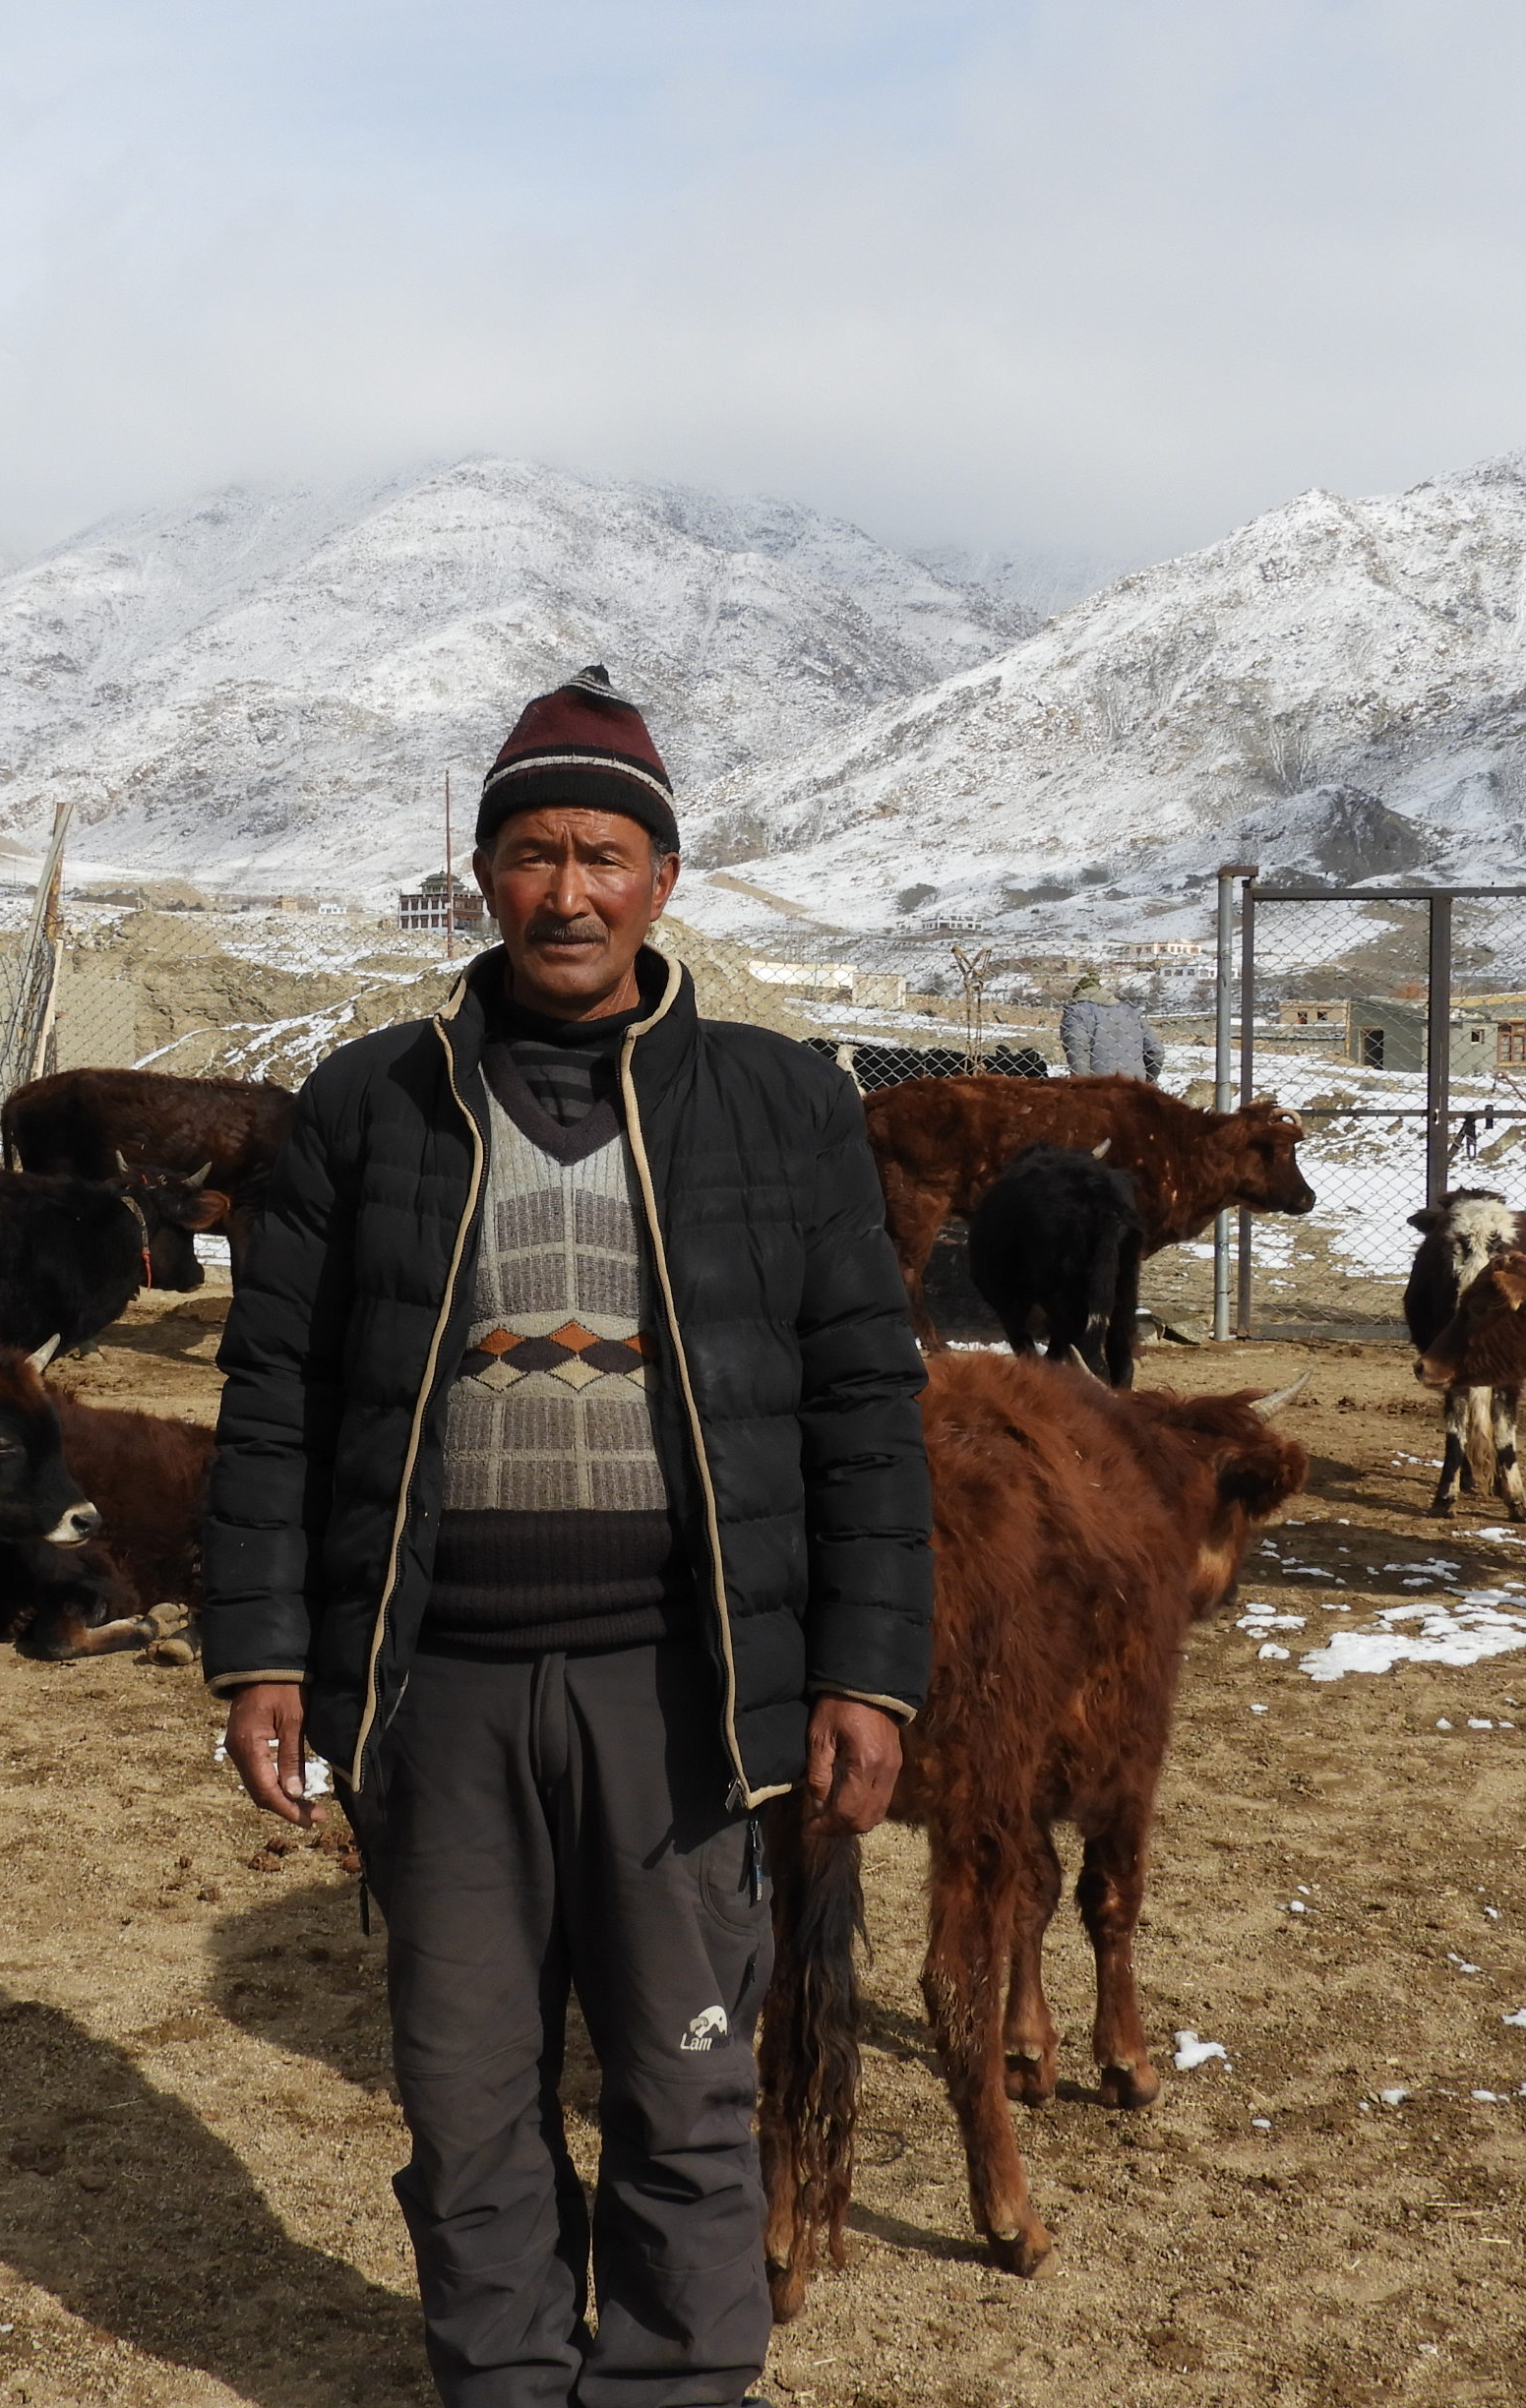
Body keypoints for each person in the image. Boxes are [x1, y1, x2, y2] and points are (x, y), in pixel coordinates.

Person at [201, 666, 934, 2408]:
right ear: (481, 873)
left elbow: (858, 1406)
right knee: (462, 2089)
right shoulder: (367, 1106)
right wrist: (262, 1649)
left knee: (685, 2083)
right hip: (435, 1682)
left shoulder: (777, 1107)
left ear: (661, 879)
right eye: (531, 851)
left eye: (604, 851)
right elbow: (274, 1401)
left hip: (675, 1683)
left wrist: (864, 1670)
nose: (567, 890)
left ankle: (676, 2380)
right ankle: (505, 2377)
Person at [1056, 972, 1163, 1082]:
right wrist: (1148, 1082)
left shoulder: (1076, 1013)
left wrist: (1083, 1088)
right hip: (1135, 1087)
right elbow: (1156, 1051)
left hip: (1101, 1089)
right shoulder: (1131, 1012)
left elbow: (1078, 1052)